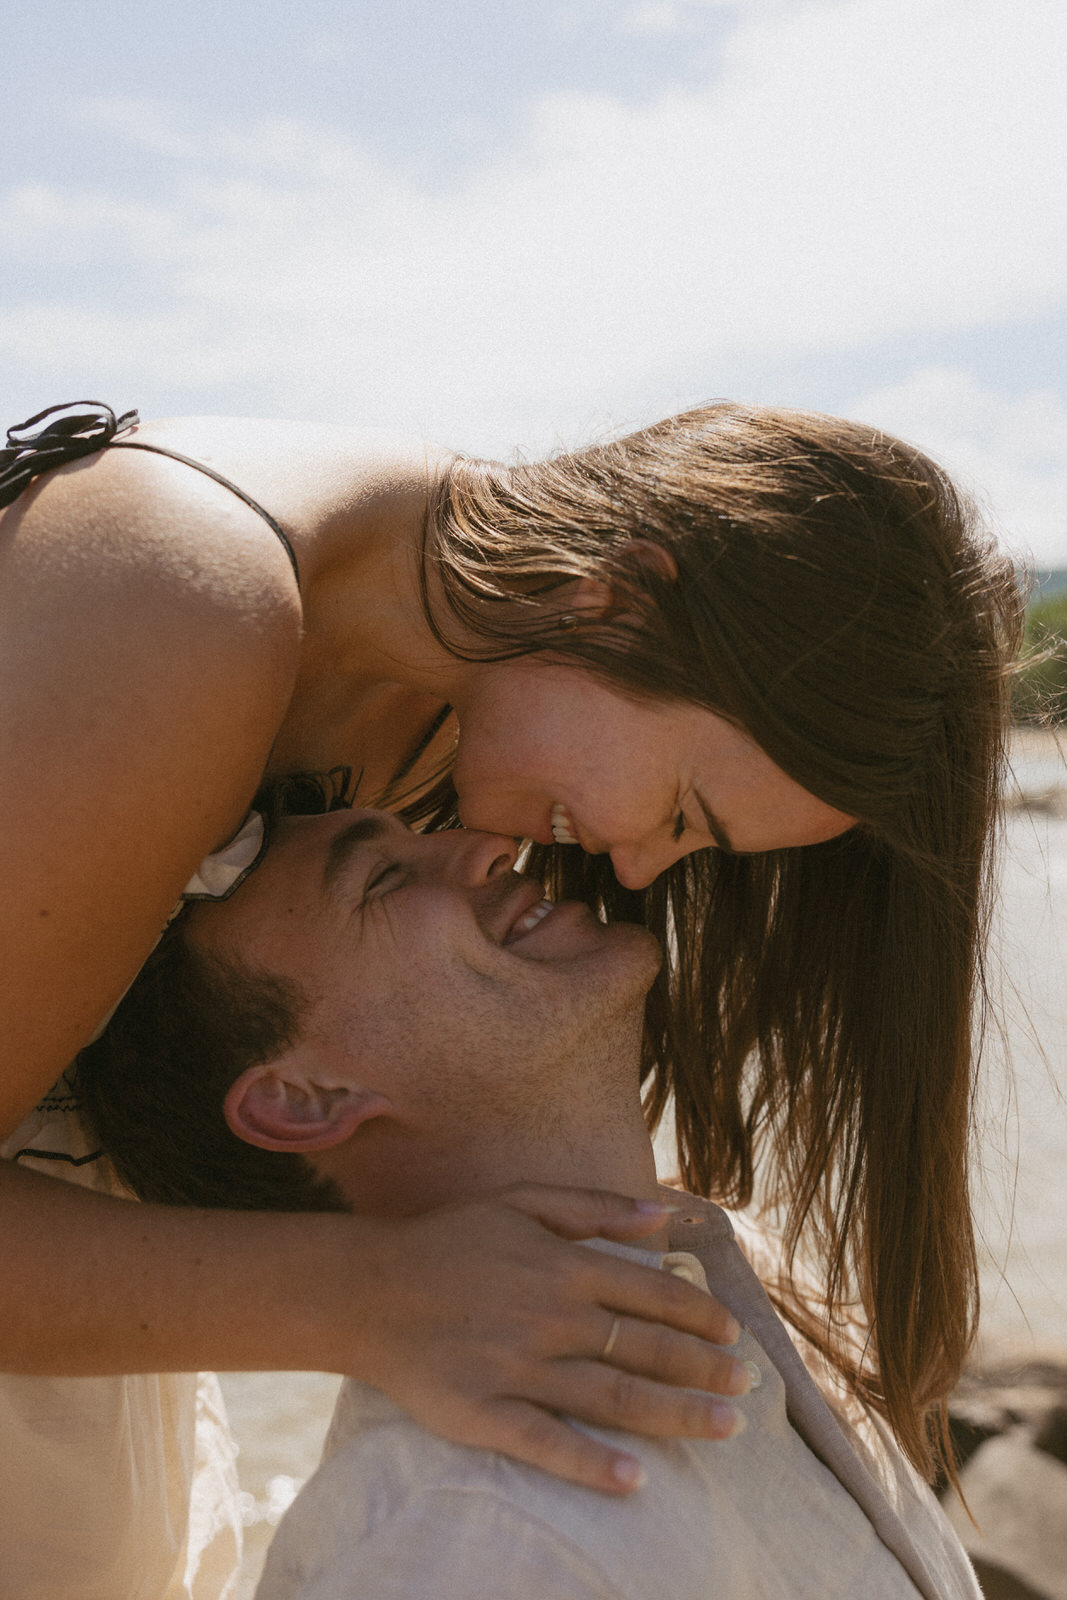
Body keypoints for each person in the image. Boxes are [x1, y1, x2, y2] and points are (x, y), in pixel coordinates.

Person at [0, 398, 1018, 1587]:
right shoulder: (179, 592)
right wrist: (379, 1293)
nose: (635, 868)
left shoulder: (463, 686)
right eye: (685, 813)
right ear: (617, 594)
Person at [78, 802, 983, 1600]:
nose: (487, 844)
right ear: (304, 1099)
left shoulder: (729, 1281)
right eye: (383, 879)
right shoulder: (480, 1535)